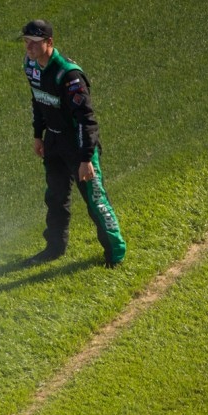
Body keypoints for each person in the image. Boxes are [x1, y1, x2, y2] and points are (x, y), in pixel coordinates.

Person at [20, 19, 126, 267]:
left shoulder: (69, 75)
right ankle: (54, 247)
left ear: (49, 42)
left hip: (77, 145)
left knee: (95, 199)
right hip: (53, 142)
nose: (29, 48)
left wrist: (86, 158)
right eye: (26, 42)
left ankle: (116, 254)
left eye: (34, 43)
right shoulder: (31, 66)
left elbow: (86, 120)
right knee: (55, 198)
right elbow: (38, 101)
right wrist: (38, 134)